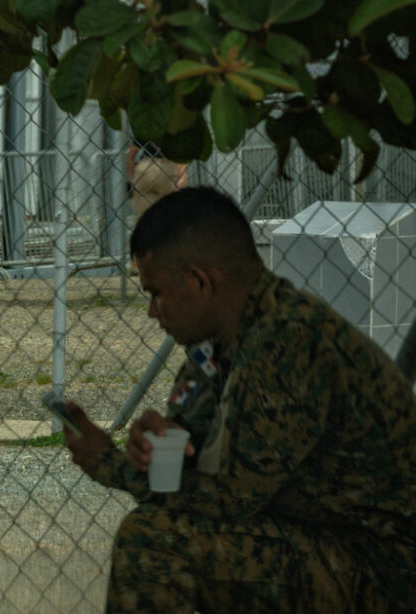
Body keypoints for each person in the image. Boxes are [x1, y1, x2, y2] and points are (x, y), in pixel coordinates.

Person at [62, 187, 416, 612]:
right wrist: (161, 446)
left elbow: (230, 499)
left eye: (156, 294)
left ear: (200, 282)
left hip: (384, 567)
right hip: (326, 540)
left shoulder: (287, 341)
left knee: (153, 540)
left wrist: (108, 463)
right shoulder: (221, 344)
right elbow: (196, 458)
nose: (152, 313)